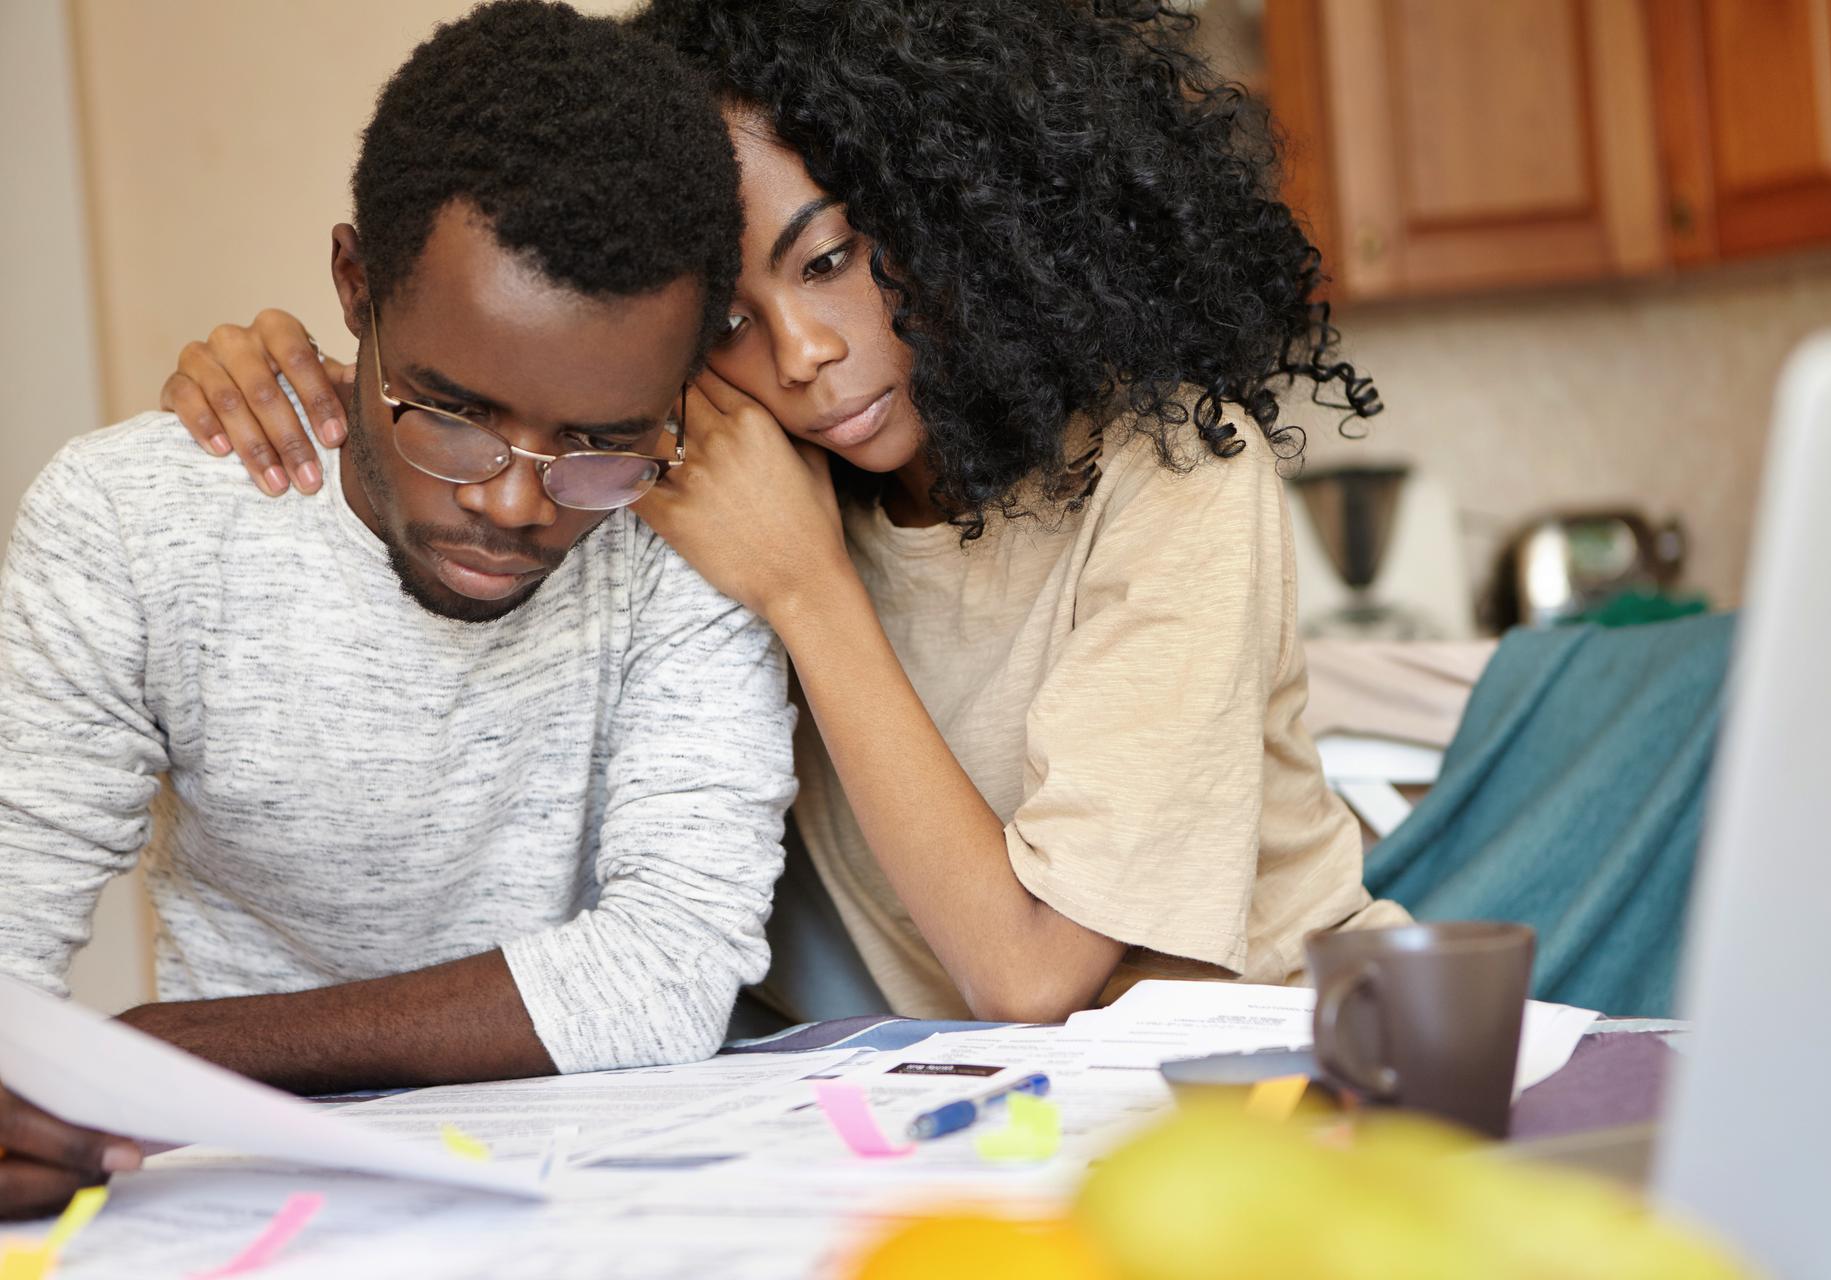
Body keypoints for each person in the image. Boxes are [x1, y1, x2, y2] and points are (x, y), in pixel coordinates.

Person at [158, 0, 1406, 1031]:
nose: (804, 353)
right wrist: (296, 380)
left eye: (831, 260)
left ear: (953, 207)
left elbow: (1030, 976)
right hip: (978, 1104)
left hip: (1304, 1060)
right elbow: (489, 407)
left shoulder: (1168, 465)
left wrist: (808, 587)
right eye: (728, 321)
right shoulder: (706, 472)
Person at [0, 1, 795, 1219]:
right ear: (354, 289)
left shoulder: (685, 529)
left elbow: (668, 968)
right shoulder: (132, 521)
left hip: (612, 1202)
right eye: (455, 414)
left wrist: (170, 1049)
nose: (522, 504)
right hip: (228, 1200)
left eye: (601, 441)